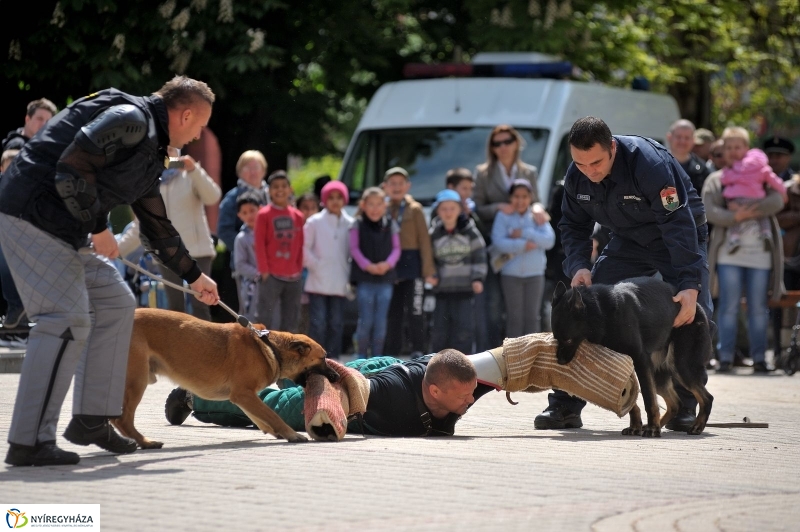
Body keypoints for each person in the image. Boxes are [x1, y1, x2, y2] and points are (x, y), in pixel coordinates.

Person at [0, 76, 220, 467]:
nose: (197, 135)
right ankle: (29, 441)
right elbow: (72, 167)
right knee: (64, 320)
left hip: (65, 226)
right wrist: (99, 228)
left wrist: (194, 276)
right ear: (186, 114)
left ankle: (91, 418)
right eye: (200, 126)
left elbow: (157, 227)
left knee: (117, 302)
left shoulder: (150, 148)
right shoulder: (130, 119)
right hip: (29, 216)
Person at [545, 116, 711, 432]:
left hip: (678, 234)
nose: (589, 171)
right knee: (588, 308)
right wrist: (579, 265)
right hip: (628, 239)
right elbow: (572, 225)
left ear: (612, 147)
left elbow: (677, 224)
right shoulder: (576, 174)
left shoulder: (649, 164)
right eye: (580, 164)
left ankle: (684, 407)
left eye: (596, 162)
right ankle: (565, 405)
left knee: (694, 315)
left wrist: (690, 285)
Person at [168, 348, 491, 437]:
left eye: (472, 394)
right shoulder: (391, 397)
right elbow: (352, 383)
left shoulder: (462, 385)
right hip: (355, 392)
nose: (470, 401)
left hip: (388, 367)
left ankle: (288, 373)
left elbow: (510, 359)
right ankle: (194, 397)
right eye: (465, 397)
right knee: (279, 408)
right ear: (435, 391)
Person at [703, 126, 786, 374]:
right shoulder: (717, 179)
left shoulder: (761, 174)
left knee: (759, 307)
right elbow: (709, 210)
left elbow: (778, 200)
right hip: (729, 253)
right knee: (728, 306)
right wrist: (734, 216)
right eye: (728, 147)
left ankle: (760, 359)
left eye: (738, 146)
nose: (733, 151)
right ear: (723, 151)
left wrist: (750, 208)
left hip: (760, 254)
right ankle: (725, 357)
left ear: (746, 148)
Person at [473, 125, 549, 347]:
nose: (503, 147)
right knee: (497, 306)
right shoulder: (483, 172)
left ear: (516, 143)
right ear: (492, 147)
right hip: (496, 246)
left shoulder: (529, 172)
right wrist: (499, 207)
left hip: (527, 253)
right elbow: (477, 207)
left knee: (530, 312)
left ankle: (531, 353)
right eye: (498, 143)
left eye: (508, 141)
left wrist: (537, 208)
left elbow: (536, 202)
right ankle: (499, 353)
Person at [154, 146, 221, 320]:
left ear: (178, 152)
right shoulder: (151, 180)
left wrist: (194, 169)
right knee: (175, 309)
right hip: (168, 253)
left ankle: (206, 348)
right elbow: (142, 222)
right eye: (162, 149)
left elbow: (213, 197)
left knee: (201, 304)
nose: (167, 154)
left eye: (170, 149)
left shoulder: (190, 175)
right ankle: (178, 348)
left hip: (198, 250)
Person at [490, 179, 555, 337]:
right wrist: (524, 244)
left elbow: (549, 240)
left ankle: (533, 355)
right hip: (511, 273)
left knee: (532, 317)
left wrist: (524, 233)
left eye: (524, 196)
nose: (520, 200)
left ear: (531, 197)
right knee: (514, 318)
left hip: (535, 273)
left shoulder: (537, 215)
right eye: (516, 196)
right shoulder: (503, 215)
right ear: (510, 198)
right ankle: (514, 356)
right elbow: (498, 242)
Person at [382, 167, 435, 358]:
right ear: (384, 187)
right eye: (392, 184)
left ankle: (418, 349)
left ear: (408, 186)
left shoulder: (415, 209)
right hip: (390, 265)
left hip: (413, 264)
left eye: (400, 183)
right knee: (393, 311)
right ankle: (392, 351)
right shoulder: (381, 207)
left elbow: (424, 241)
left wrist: (428, 270)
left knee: (415, 309)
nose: (396, 187)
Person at [428, 189, 487, 353]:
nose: (448, 213)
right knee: (440, 332)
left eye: (452, 208)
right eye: (444, 209)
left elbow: (480, 255)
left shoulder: (470, 232)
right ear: (437, 211)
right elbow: (429, 259)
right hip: (442, 291)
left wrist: (477, 278)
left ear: (460, 210)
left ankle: (464, 366)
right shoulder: (433, 235)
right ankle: (438, 367)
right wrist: (431, 275)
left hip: (465, 291)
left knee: (464, 332)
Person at [440, 167, 491, 351]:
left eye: (470, 189)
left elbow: (484, 240)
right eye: (464, 188)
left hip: (468, 280)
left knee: (468, 326)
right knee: (443, 327)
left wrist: (470, 217)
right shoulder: (438, 217)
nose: (468, 193)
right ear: (451, 187)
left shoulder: (471, 214)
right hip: (444, 284)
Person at [303, 181, 354, 359]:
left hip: (340, 281)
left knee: (336, 323)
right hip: (318, 281)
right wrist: (317, 265)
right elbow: (304, 248)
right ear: (324, 200)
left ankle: (334, 359)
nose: (335, 201)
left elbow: (353, 251)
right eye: (330, 197)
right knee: (318, 323)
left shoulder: (351, 223)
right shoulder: (314, 221)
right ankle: (316, 359)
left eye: (339, 197)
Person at [350, 187, 401, 358]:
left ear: (385, 205)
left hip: (385, 280)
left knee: (380, 322)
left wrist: (387, 264)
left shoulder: (391, 224)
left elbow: (396, 248)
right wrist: (368, 266)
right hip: (365, 279)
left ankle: (377, 357)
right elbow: (354, 249)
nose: (375, 208)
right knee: (366, 321)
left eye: (379, 204)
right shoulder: (357, 223)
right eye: (371, 204)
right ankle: (361, 357)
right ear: (363, 205)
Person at [254, 170, 305, 332]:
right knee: (265, 318)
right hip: (271, 276)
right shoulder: (264, 214)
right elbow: (259, 244)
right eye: (275, 187)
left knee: (291, 318)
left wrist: (298, 269)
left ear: (291, 189)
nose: (280, 190)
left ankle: (287, 354)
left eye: (284, 186)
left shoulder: (297, 216)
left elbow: (300, 244)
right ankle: (261, 352)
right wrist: (264, 272)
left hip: (293, 276)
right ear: (269, 190)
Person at [719, 145, 786, 254]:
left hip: (738, 200)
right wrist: (783, 191)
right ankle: (766, 233)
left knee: (736, 218)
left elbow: (726, 179)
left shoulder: (739, 167)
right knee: (763, 215)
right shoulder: (763, 168)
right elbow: (775, 181)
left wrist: (725, 173)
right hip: (757, 199)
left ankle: (734, 238)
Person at [217, 150, 269, 264]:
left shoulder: (273, 195)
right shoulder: (232, 198)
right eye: (247, 168)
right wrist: (246, 247)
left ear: (263, 170)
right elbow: (224, 231)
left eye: (256, 167)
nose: (253, 172)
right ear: (239, 172)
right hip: (245, 262)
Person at [232, 192, 262, 322]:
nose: (249, 215)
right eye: (244, 213)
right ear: (239, 216)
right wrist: (259, 274)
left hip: (272, 282)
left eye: (252, 210)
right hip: (251, 284)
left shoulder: (270, 233)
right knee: (251, 316)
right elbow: (240, 265)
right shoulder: (241, 238)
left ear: (260, 209)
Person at [296, 192, 321, 334]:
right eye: (305, 207)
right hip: (299, 278)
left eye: (313, 207)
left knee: (315, 317)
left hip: (317, 278)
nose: (309, 211)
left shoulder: (321, 228)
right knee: (300, 315)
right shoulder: (295, 228)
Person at [667, 119, 711, 195]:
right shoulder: (656, 164)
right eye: (678, 137)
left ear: (693, 140)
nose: (682, 141)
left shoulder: (702, 169)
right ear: (669, 137)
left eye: (687, 138)